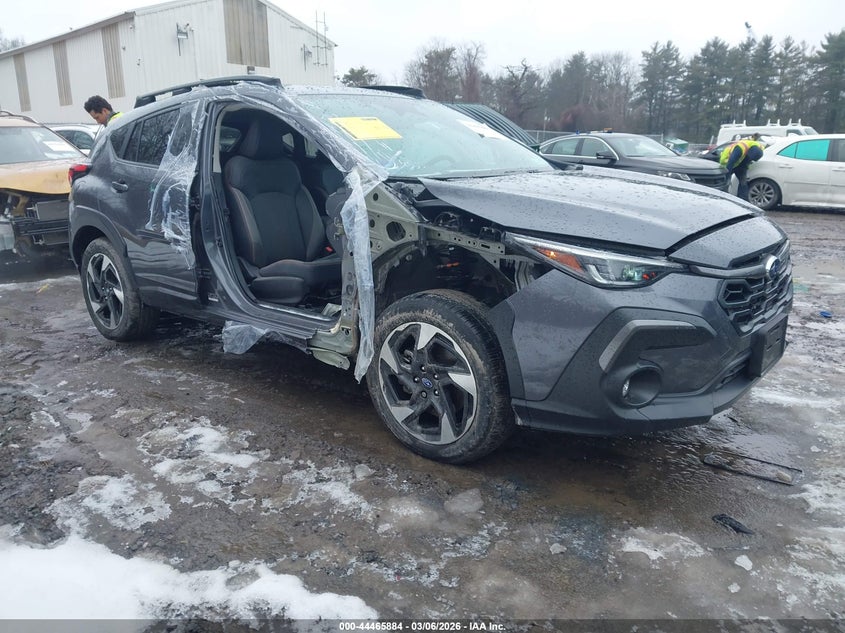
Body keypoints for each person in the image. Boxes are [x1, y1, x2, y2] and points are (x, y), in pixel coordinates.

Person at [719, 133, 765, 201]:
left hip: (740, 164)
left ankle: (742, 200)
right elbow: (730, 163)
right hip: (727, 162)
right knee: (726, 181)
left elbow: (748, 160)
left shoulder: (759, 148)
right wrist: (727, 176)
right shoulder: (740, 148)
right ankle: (722, 196)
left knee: (743, 182)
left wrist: (745, 167)